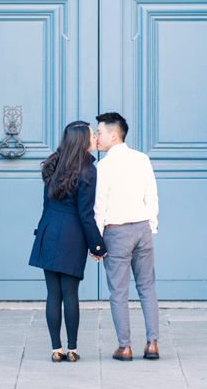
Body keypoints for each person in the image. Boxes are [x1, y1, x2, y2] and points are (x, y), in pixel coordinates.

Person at [29, 120, 107, 362]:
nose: (96, 138)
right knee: (70, 293)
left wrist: (42, 232)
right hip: (72, 234)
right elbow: (86, 214)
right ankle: (72, 349)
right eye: (93, 135)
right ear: (82, 140)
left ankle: (56, 349)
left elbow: (46, 205)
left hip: (49, 230)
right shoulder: (88, 170)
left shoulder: (53, 163)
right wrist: (97, 245)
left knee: (53, 293)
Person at [94, 112, 160, 361]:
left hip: (117, 231)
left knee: (119, 291)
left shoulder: (104, 166)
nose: (96, 137)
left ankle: (125, 346)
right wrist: (150, 226)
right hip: (142, 228)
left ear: (113, 134)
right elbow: (151, 195)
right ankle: (152, 343)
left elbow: (99, 205)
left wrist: (97, 239)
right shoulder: (142, 159)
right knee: (147, 287)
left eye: (99, 132)